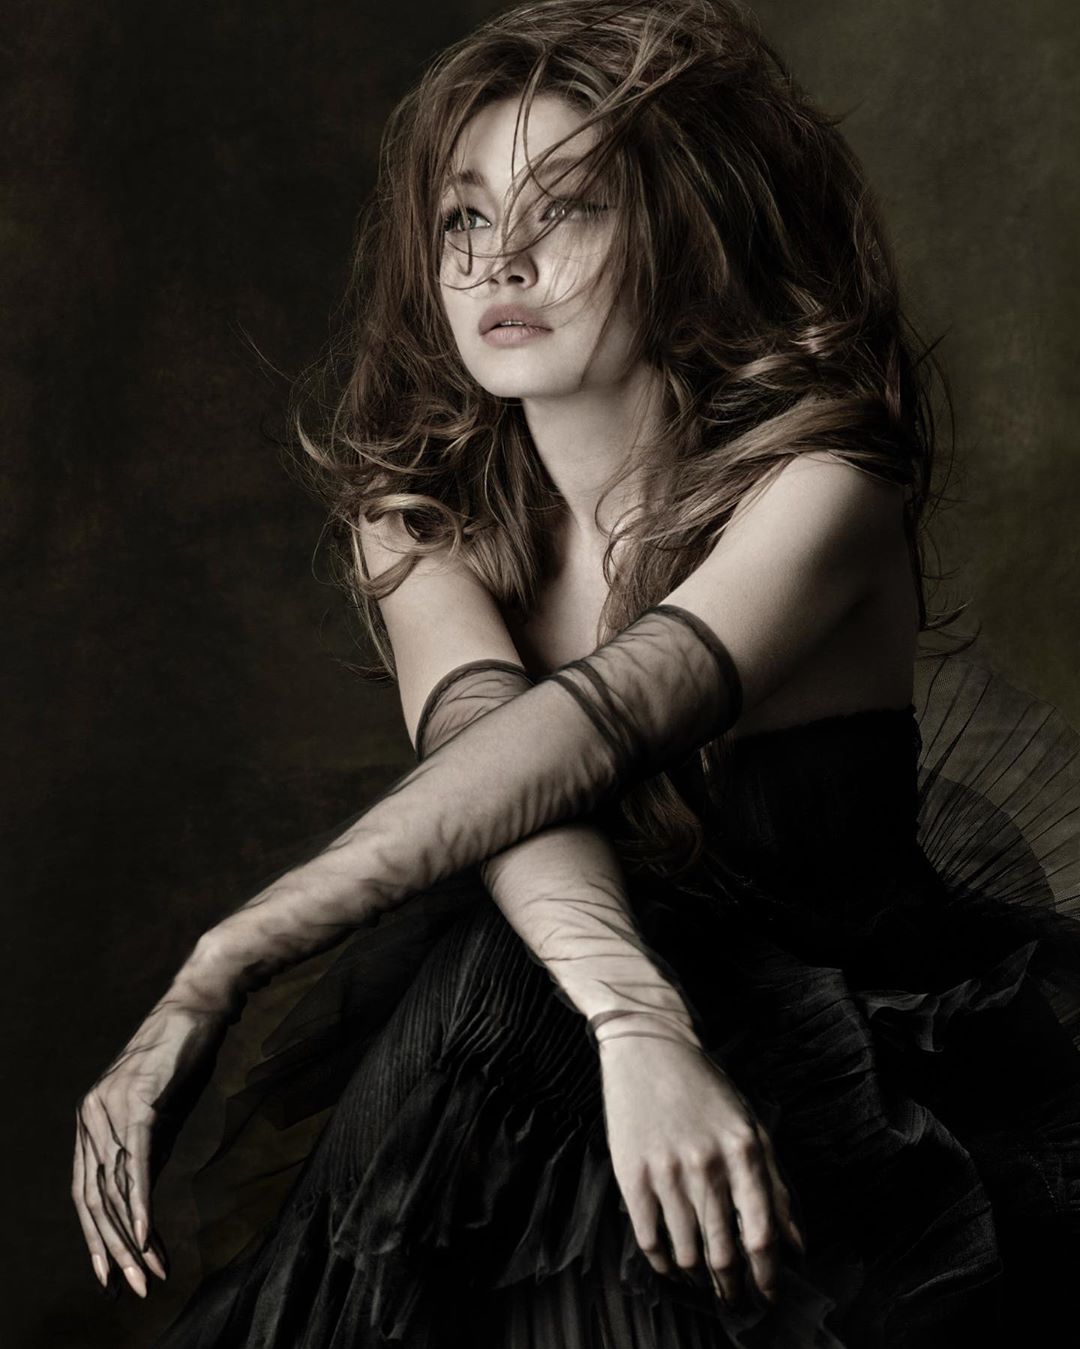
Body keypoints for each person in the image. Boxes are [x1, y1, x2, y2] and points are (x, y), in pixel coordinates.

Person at [71, 2, 1080, 1345]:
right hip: (579, 1049)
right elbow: (499, 773)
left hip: (857, 1069)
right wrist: (632, 1019)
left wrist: (229, 955)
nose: (502, 259)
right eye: (465, 217)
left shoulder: (826, 483)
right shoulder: (418, 518)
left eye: (568, 209)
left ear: (687, 236)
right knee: (490, 996)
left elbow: (588, 734)